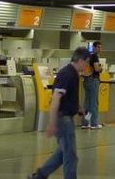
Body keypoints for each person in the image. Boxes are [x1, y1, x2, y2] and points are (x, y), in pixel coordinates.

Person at [29, 47, 91, 179]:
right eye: (87, 62)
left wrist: (80, 108)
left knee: (61, 153)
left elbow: (72, 96)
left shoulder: (74, 74)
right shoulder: (66, 74)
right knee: (70, 155)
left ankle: (39, 175)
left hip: (66, 117)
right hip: (63, 118)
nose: (87, 66)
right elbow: (56, 99)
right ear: (80, 60)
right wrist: (52, 123)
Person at [81, 42, 103, 129]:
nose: (100, 49)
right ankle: (94, 124)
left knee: (87, 102)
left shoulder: (88, 56)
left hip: (86, 80)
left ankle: (85, 123)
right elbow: (97, 69)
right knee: (94, 102)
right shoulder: (95, 57)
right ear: (93, 47)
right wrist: (101, 68)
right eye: (98, 47)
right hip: (93, 80)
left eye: (100, 47)